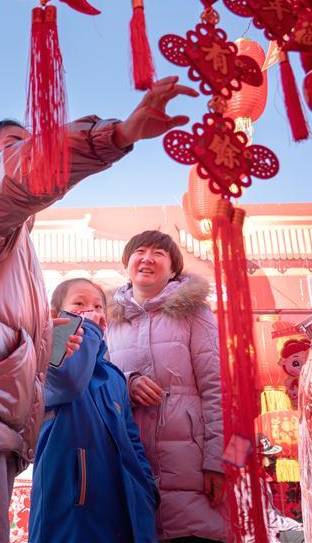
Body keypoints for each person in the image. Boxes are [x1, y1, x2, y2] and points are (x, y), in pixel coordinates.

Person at [0, 77, 199, 543]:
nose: (27, 155)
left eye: (97, 305)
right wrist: (116, 135)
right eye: (14, 148)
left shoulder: (9, 246)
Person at [107, 230, 226, 542]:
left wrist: (217, 461)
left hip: (191, 467)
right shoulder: (109, 321)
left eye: (159, 253)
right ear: (127, 263)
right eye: (140, 251)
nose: (147, 258)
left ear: (174, 269)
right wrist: (127, 385)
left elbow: (217, 386)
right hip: (130, 463)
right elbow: (100, 385)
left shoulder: (195, 312)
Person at [30, 278, 158, 543]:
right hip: (71, 507)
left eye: (98, 306)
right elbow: (68, 381)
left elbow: (131, 439)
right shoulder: (44, 359)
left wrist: (144, 486)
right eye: (79, 304)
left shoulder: (113, 376)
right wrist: (83, 329)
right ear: (55, 315)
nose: (91, 312)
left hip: (121, 506)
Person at [255, 435, 304, 543]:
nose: (272, 459)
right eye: (269, 457)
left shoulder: (260, 479)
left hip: (271, 528)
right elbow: (270, 520)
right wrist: (297, 526)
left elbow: (272, 513)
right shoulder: (254, 483)